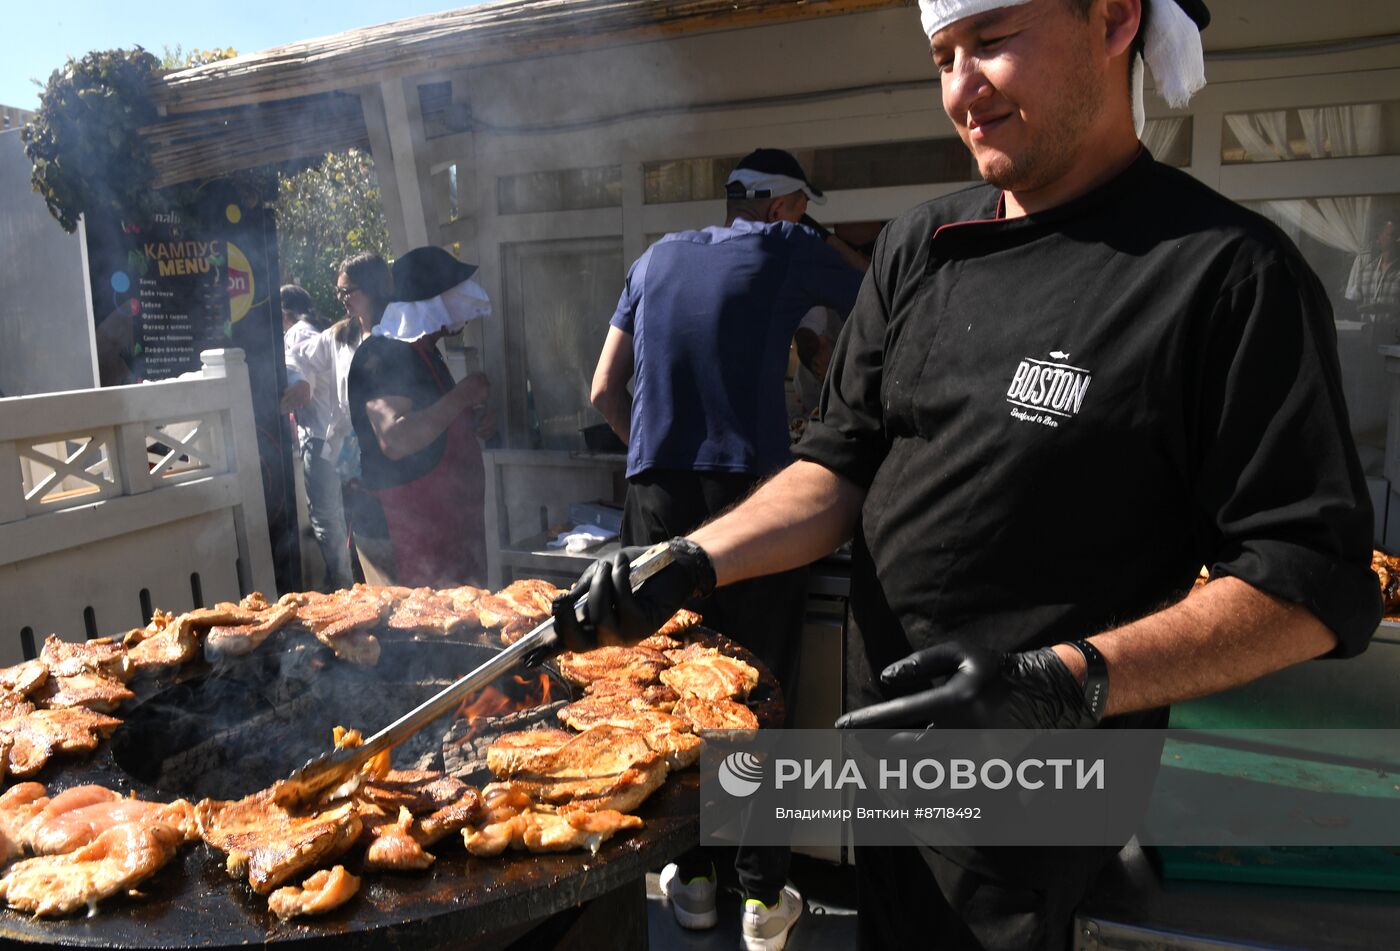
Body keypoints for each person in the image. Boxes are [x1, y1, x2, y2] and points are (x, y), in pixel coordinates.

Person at [555, 1, 1382, 949]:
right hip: (888, 766)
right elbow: (835, 467)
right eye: (943, 55)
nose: (960, 89)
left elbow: (1308, 579)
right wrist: (693, 558)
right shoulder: (917, 248)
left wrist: (1062, 682)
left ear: (1113, 20)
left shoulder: (1226, 274)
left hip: (1046, 799)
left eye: (990, 42)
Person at [589, 147, 865, 950]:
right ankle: (761, 894)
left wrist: (657, 461)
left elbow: (604, 390)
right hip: (748, 504)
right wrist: (823, 235)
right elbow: (881, 293)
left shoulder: (653, 257)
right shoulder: (788, 246)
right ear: (786, 207)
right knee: (755, 694)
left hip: (652, 502)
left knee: (673, 691)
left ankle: (693, 880)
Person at [346, 246, 493, 588]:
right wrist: (461, 396)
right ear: (435, 301)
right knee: (409, 632)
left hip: (448, 533)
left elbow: (434, 425)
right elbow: (395, 439)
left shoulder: (426, 352)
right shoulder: (382, 355)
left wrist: (471, 422)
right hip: (401, 533)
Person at [285, 253, 393, 584]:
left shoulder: (396, 331)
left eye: (349, 291)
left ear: (373, 288)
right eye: (339, 292)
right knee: (350, 532)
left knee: (388, 536)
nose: (342, 299)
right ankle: (355, 594)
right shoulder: (338, 334)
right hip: (350, 455)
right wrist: (297, 381)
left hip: (390, 450)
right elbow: (295, 356)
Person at [279, 284, 352, 592]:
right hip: (343, 437)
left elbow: (301, 389)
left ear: (284, 314)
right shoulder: (321, 330)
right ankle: (347, 582)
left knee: (326, 519)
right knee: (343, 516)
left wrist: (275, 409)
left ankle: (344, 588)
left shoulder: (296, 334)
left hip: (322, 439)